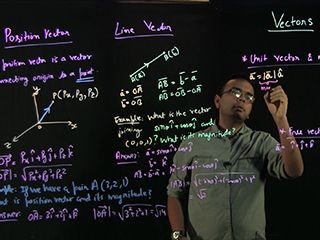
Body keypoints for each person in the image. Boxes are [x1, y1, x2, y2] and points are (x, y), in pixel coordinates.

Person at [166, 75, 304, 240]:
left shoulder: (262, 142)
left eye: (249, 97)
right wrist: (177, 236)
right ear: (218, 101)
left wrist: (281, 119)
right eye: (236, 92)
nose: (242, 99)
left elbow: (295, 170)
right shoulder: (192, 143)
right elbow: (174, 193)